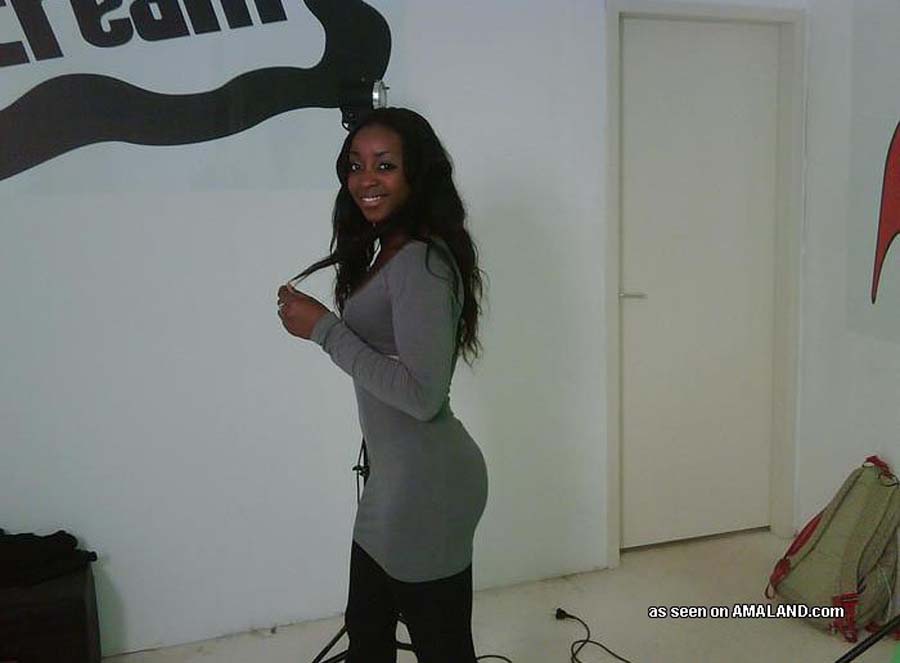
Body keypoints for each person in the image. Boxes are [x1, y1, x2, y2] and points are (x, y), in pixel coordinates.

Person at [276, 107, 489, 662]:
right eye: (355, 165)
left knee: (442, 649)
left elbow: (422, 396)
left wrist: (324, 329)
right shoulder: (388, 250)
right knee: (368, 634)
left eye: (385, 165)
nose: (365, 179)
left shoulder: (420, 262)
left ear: (417, 173)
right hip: (393, 481)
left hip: (428, 488)